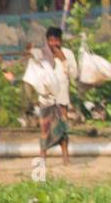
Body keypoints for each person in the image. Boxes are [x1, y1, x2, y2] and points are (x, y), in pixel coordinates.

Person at [24, 27, 78, 164]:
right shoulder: (41, 53)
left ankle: (65, 157)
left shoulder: (68, 54)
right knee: (45, 127)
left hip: (62, 97)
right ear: (47, 40)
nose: (54, 43)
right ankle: (42, 156)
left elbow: (74, 75)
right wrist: (29, 51)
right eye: (51, 40)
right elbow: (34, 67)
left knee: (63, 128)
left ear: (61, 40)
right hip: (46, 98)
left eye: (56, 40)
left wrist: (63, 60)